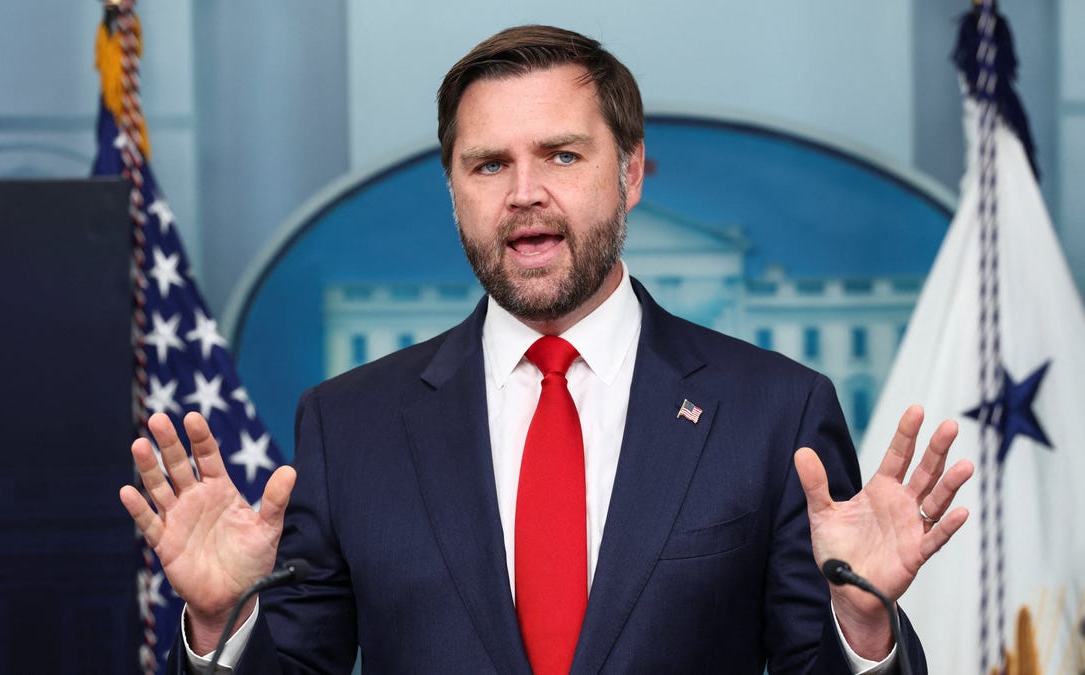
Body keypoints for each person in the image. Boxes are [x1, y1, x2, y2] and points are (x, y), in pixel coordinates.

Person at [120, 24, 973, 674]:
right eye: (488, 164)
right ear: (453, 191)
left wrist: (862, 627)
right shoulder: (350, 428)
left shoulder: (774, 411)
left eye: (562, 155)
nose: (525, 194)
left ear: (631, 173)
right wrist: (219, 626)